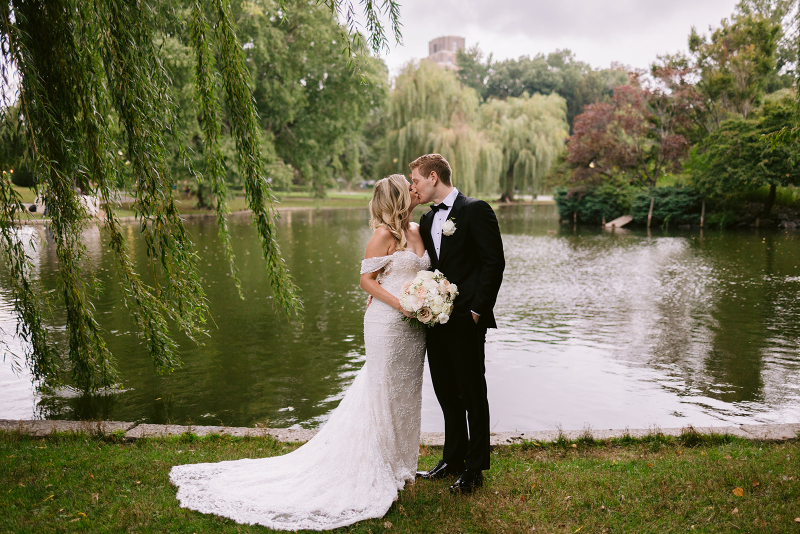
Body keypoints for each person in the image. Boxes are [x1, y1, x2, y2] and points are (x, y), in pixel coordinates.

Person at [169, 174, 429, 530]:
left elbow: (420, 273)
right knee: (382, 390)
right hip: (388, 322)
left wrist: (430, 297)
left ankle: (402, 466)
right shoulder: (382, 235)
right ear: (400, 196)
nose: (416, 189)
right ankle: (380, 465)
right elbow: (365, 281)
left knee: (405, 393)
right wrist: (400, 303)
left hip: (414, 331)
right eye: (409, 186)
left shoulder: (418, 229)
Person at [411, 153, 505, 494]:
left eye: (417, 181)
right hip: (435, 320)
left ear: (434, 177)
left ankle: (475, 468)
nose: (414, 188)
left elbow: (493, 263)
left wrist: (478, 310)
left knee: (472, 392)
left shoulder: (475, 210)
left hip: (467, 318)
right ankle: (452, 458)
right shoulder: (425, 219)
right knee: (446, 392)